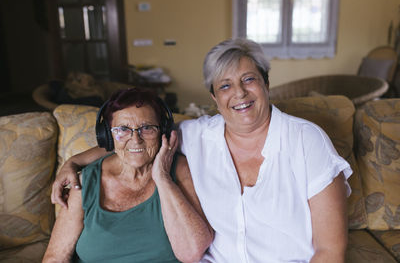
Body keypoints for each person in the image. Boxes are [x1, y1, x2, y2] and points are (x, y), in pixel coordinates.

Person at [52, 38, 352, 262]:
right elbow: (138, 143)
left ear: (266, 83)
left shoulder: (307, 141)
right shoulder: (197, 135)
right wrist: (73, 162)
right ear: (214, 97)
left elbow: (331, 250)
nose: (239, 93)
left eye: (249, 79)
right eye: (225, 86)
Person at [43, 88, 213, 263]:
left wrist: (162, 178)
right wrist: (72, 162)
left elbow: (193, 251)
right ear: (108, 135)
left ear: (162, 132)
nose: (135, 139)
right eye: (123, 129)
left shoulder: (181, 170)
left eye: (147, 128)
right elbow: (55, 257)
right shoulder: (86, 181)